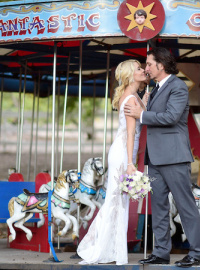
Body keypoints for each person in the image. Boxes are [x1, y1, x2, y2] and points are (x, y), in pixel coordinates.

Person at [124, 47, 200, 267]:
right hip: (156, 158)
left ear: (161, 65)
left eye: (149, 64)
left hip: (175, 157)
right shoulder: (156, 88)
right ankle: (161, 252)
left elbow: (171, 117)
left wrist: (141, 114)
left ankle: (197, 253)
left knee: (185, 205)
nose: (146, 68)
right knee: (158, 208)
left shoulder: (178, 86)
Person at [76, 59, 148, 265]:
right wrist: (131, 163)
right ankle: (106, 249)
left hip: (121, 149)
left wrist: (147, 96)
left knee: (118, 201)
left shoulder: (132, 96)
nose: (143, 70)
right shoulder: (131, 99)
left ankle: (110, 249)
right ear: (130, 75)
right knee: (116, 201)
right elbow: (131, 133)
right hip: (123, 152)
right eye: (139, 69)